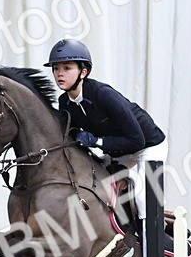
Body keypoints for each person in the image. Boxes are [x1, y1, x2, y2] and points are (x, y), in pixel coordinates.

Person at [44, 38, 168, 238]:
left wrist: (97, 142)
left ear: (83, 72)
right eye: (56, 68)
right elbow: (71, 135)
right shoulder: (64, 102)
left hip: (149, 145)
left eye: (67, 67)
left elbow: (137, 141)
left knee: (145, 199)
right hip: (119, 150)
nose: (59, 73)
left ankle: (155, 253)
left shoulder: (104, 94)